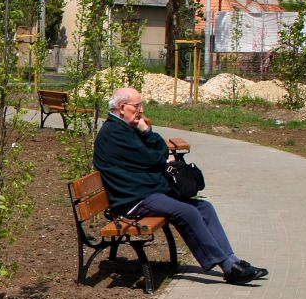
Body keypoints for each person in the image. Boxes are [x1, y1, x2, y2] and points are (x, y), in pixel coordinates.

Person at [93, 86, 267, 286]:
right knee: (187, 212)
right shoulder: (116, 133)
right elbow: (156, 159)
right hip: (132, 200)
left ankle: (233, 261)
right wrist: (152, 140)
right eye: (137, 106)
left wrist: (148, 133)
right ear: (122, 108)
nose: (141, 110)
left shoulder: (126, 128)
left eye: (141, 105)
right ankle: (228, 267)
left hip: (146, 192)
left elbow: (158, 153)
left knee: (204, 208)